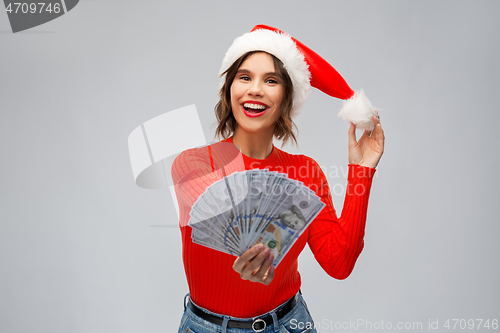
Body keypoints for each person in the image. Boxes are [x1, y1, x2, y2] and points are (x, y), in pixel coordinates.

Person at [171, 25, 385, 333]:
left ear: (286, 97)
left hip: (289, 324)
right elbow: (229, 221)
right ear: (229, 89)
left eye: (270, 80)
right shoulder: (193, 164)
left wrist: (361, 170)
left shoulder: (306, 173)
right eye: (244, 77)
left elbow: (339, 263)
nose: (255, 89)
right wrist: (260, 249)